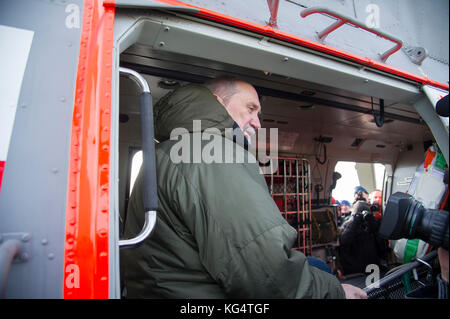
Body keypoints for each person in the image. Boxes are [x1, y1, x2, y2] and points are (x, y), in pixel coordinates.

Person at [121, 76, 366, 299]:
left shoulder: (169, 151)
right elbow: (265, 274)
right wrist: (336, 291)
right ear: (217, 102)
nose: (258, 123)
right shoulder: (211, 153)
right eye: (251, 109)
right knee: (321, 270)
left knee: (315, 266)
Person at [338, 199, 385, 275]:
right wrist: (354, 222)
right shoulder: (348, 224)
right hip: (354, 270)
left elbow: (382, 246)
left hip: (372, 268)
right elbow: (344, 241)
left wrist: (373, 224)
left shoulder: (372, 223)